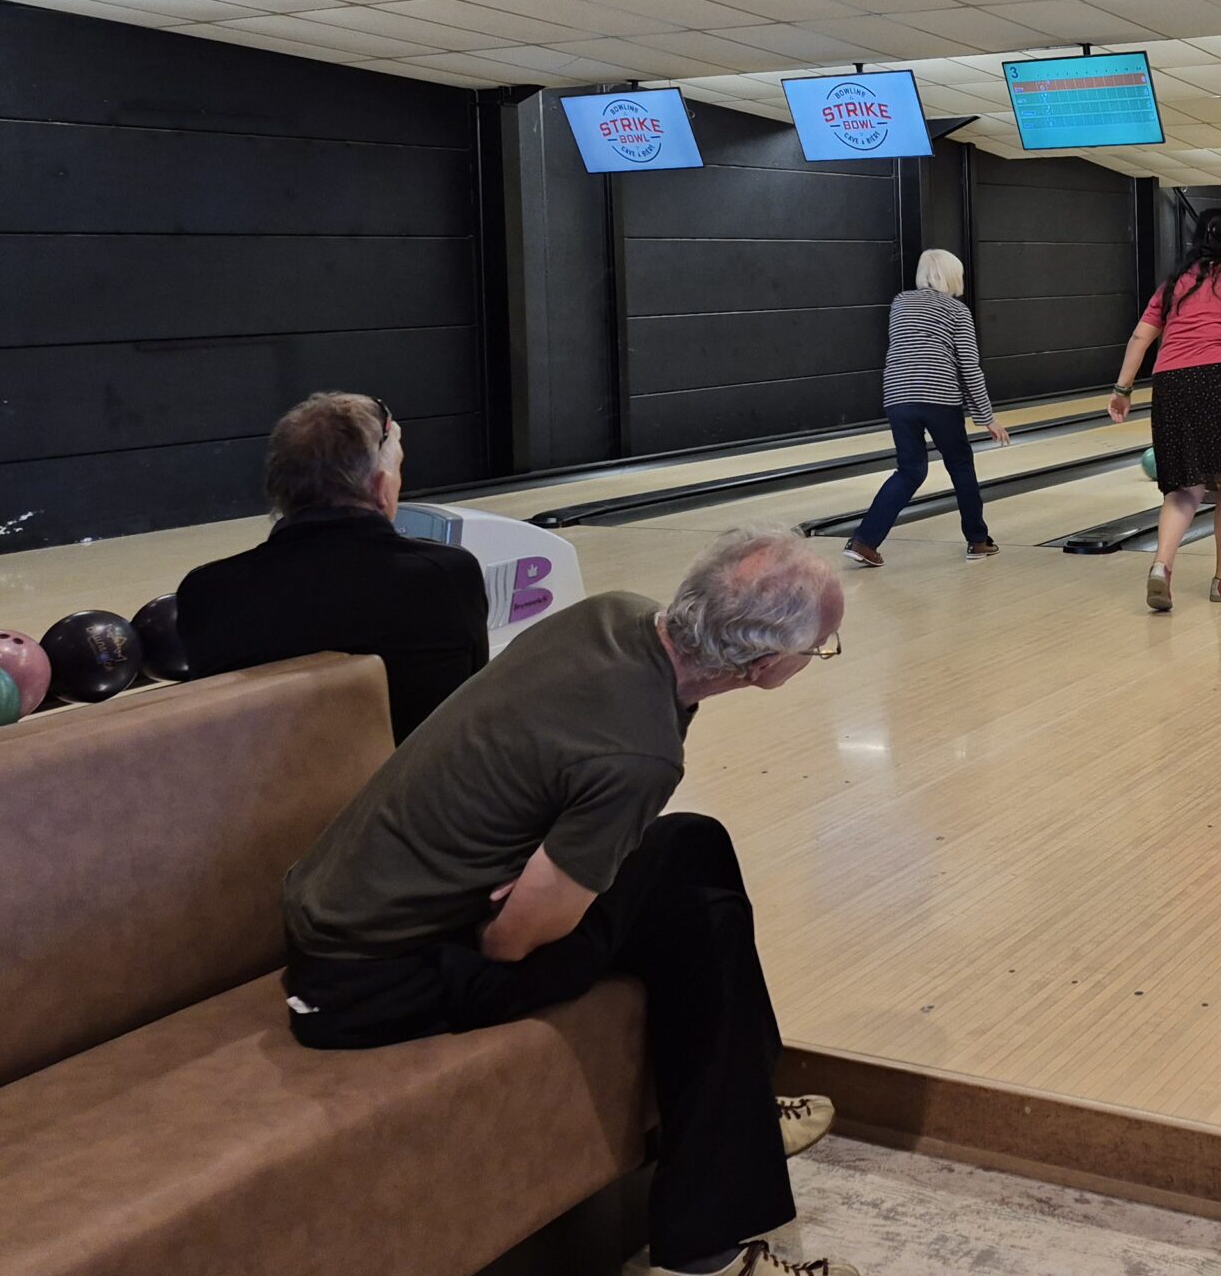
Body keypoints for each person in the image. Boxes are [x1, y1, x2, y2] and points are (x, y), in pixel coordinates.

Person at [279, 527, 855, 1276]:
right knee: (701, 918)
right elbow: (512, 943)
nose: (816, 658)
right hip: (377, 984)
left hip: (344, 924)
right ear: (764, 664)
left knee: (693, 846)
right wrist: (527, 896)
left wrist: (540, 871)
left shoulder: (610, 616)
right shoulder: (638, 752)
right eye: (820, 648)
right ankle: (706, 1249)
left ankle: (737, 1115)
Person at [177, 391, 487, 742]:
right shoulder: (444, 576)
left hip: (274, 778)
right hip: (411, 777)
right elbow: (472, 710)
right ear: (381, 487)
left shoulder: (208, 594)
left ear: (278, 487)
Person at [1104, 207, 1221, 612]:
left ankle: (1161, 566)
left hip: (1170, 382)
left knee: (1184, 487)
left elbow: (1140, 337)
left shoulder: (1174, 284)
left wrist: (1122, 389)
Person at [844, 249, 1009, 568]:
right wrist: (987, 417)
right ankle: (978, 541)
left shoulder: (900, 303)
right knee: (960, 465)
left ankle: (864, 541)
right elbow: (969, 366)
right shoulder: (957, 310)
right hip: (939, 395)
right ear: (954, 276)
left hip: (897, 395)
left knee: (910, 470)